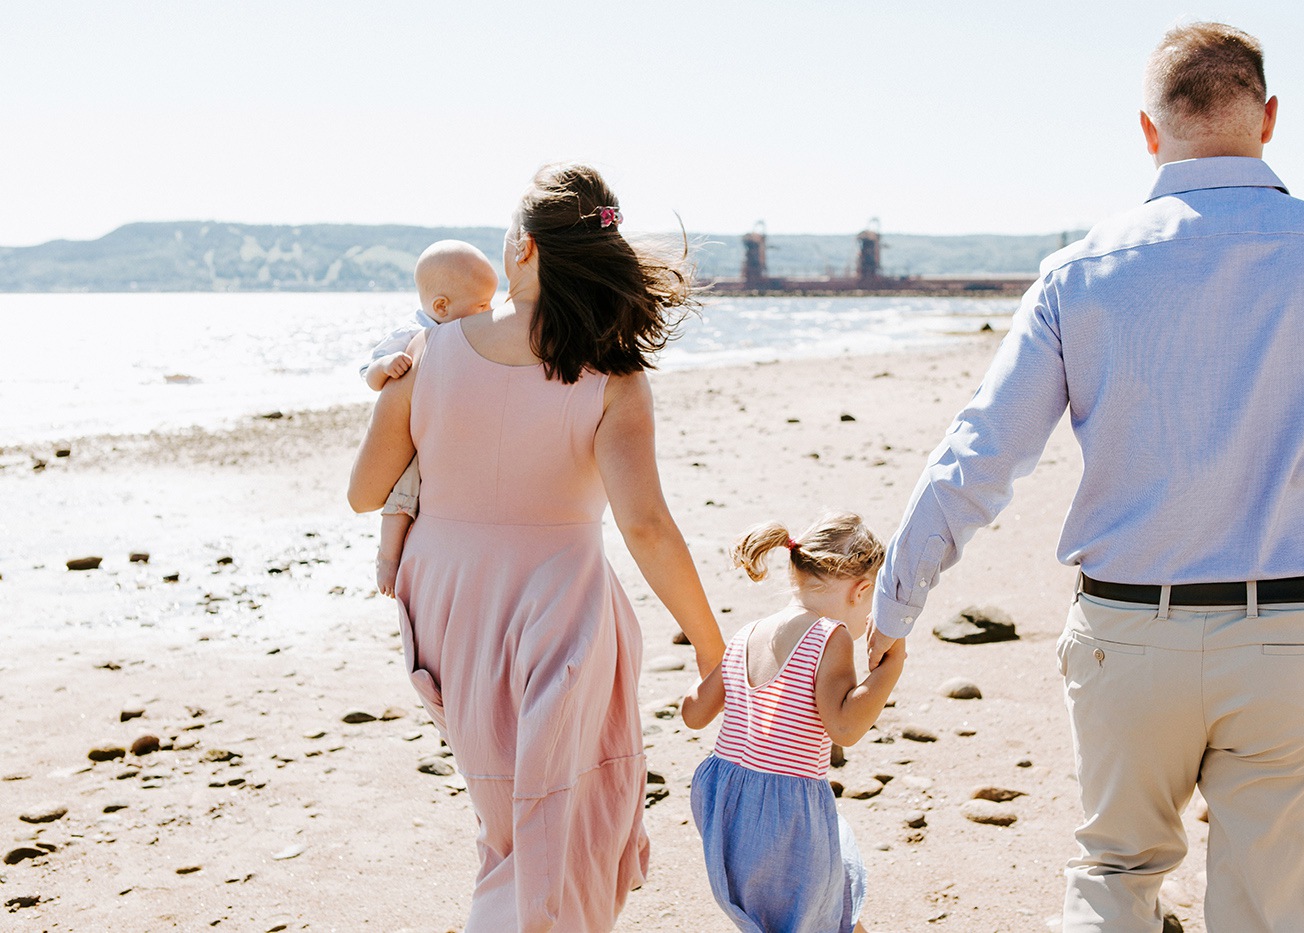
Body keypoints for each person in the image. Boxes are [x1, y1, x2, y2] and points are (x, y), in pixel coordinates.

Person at [865, 22, 1304, 933]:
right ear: (1268, 119)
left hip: (1130, 634)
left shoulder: (1083, 271)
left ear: (1149, 133)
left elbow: (980, 453)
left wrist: (891, 609)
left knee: (1113, 873)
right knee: (1275, 910)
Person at [348, 163, 726, 931]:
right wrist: (713, 648)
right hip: (560, 600)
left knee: (506, 814)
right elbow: (645, 526)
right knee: (568, 808)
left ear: (523, 251)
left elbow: (364, 493)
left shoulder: (425, 354)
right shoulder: (612, 373)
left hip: (448, 600)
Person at [682, 513, 903, 933]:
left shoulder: (747, 633)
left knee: (804, 913)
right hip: (787, 809)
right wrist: (891, 668)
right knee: (814, 914)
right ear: (862, 591)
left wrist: (713, 664)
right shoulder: (829, 635)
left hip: (726, 799)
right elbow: (843, 729)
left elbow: (693, 715)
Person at [360, 239, 499, 598]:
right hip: (409, 437)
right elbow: (369, 375)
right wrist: (387, 367)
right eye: (482, 304)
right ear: (442, 306)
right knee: (401, 498)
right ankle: (387, 558)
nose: (490, 311)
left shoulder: (464, 331)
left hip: (440, 430)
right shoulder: (410, 335)